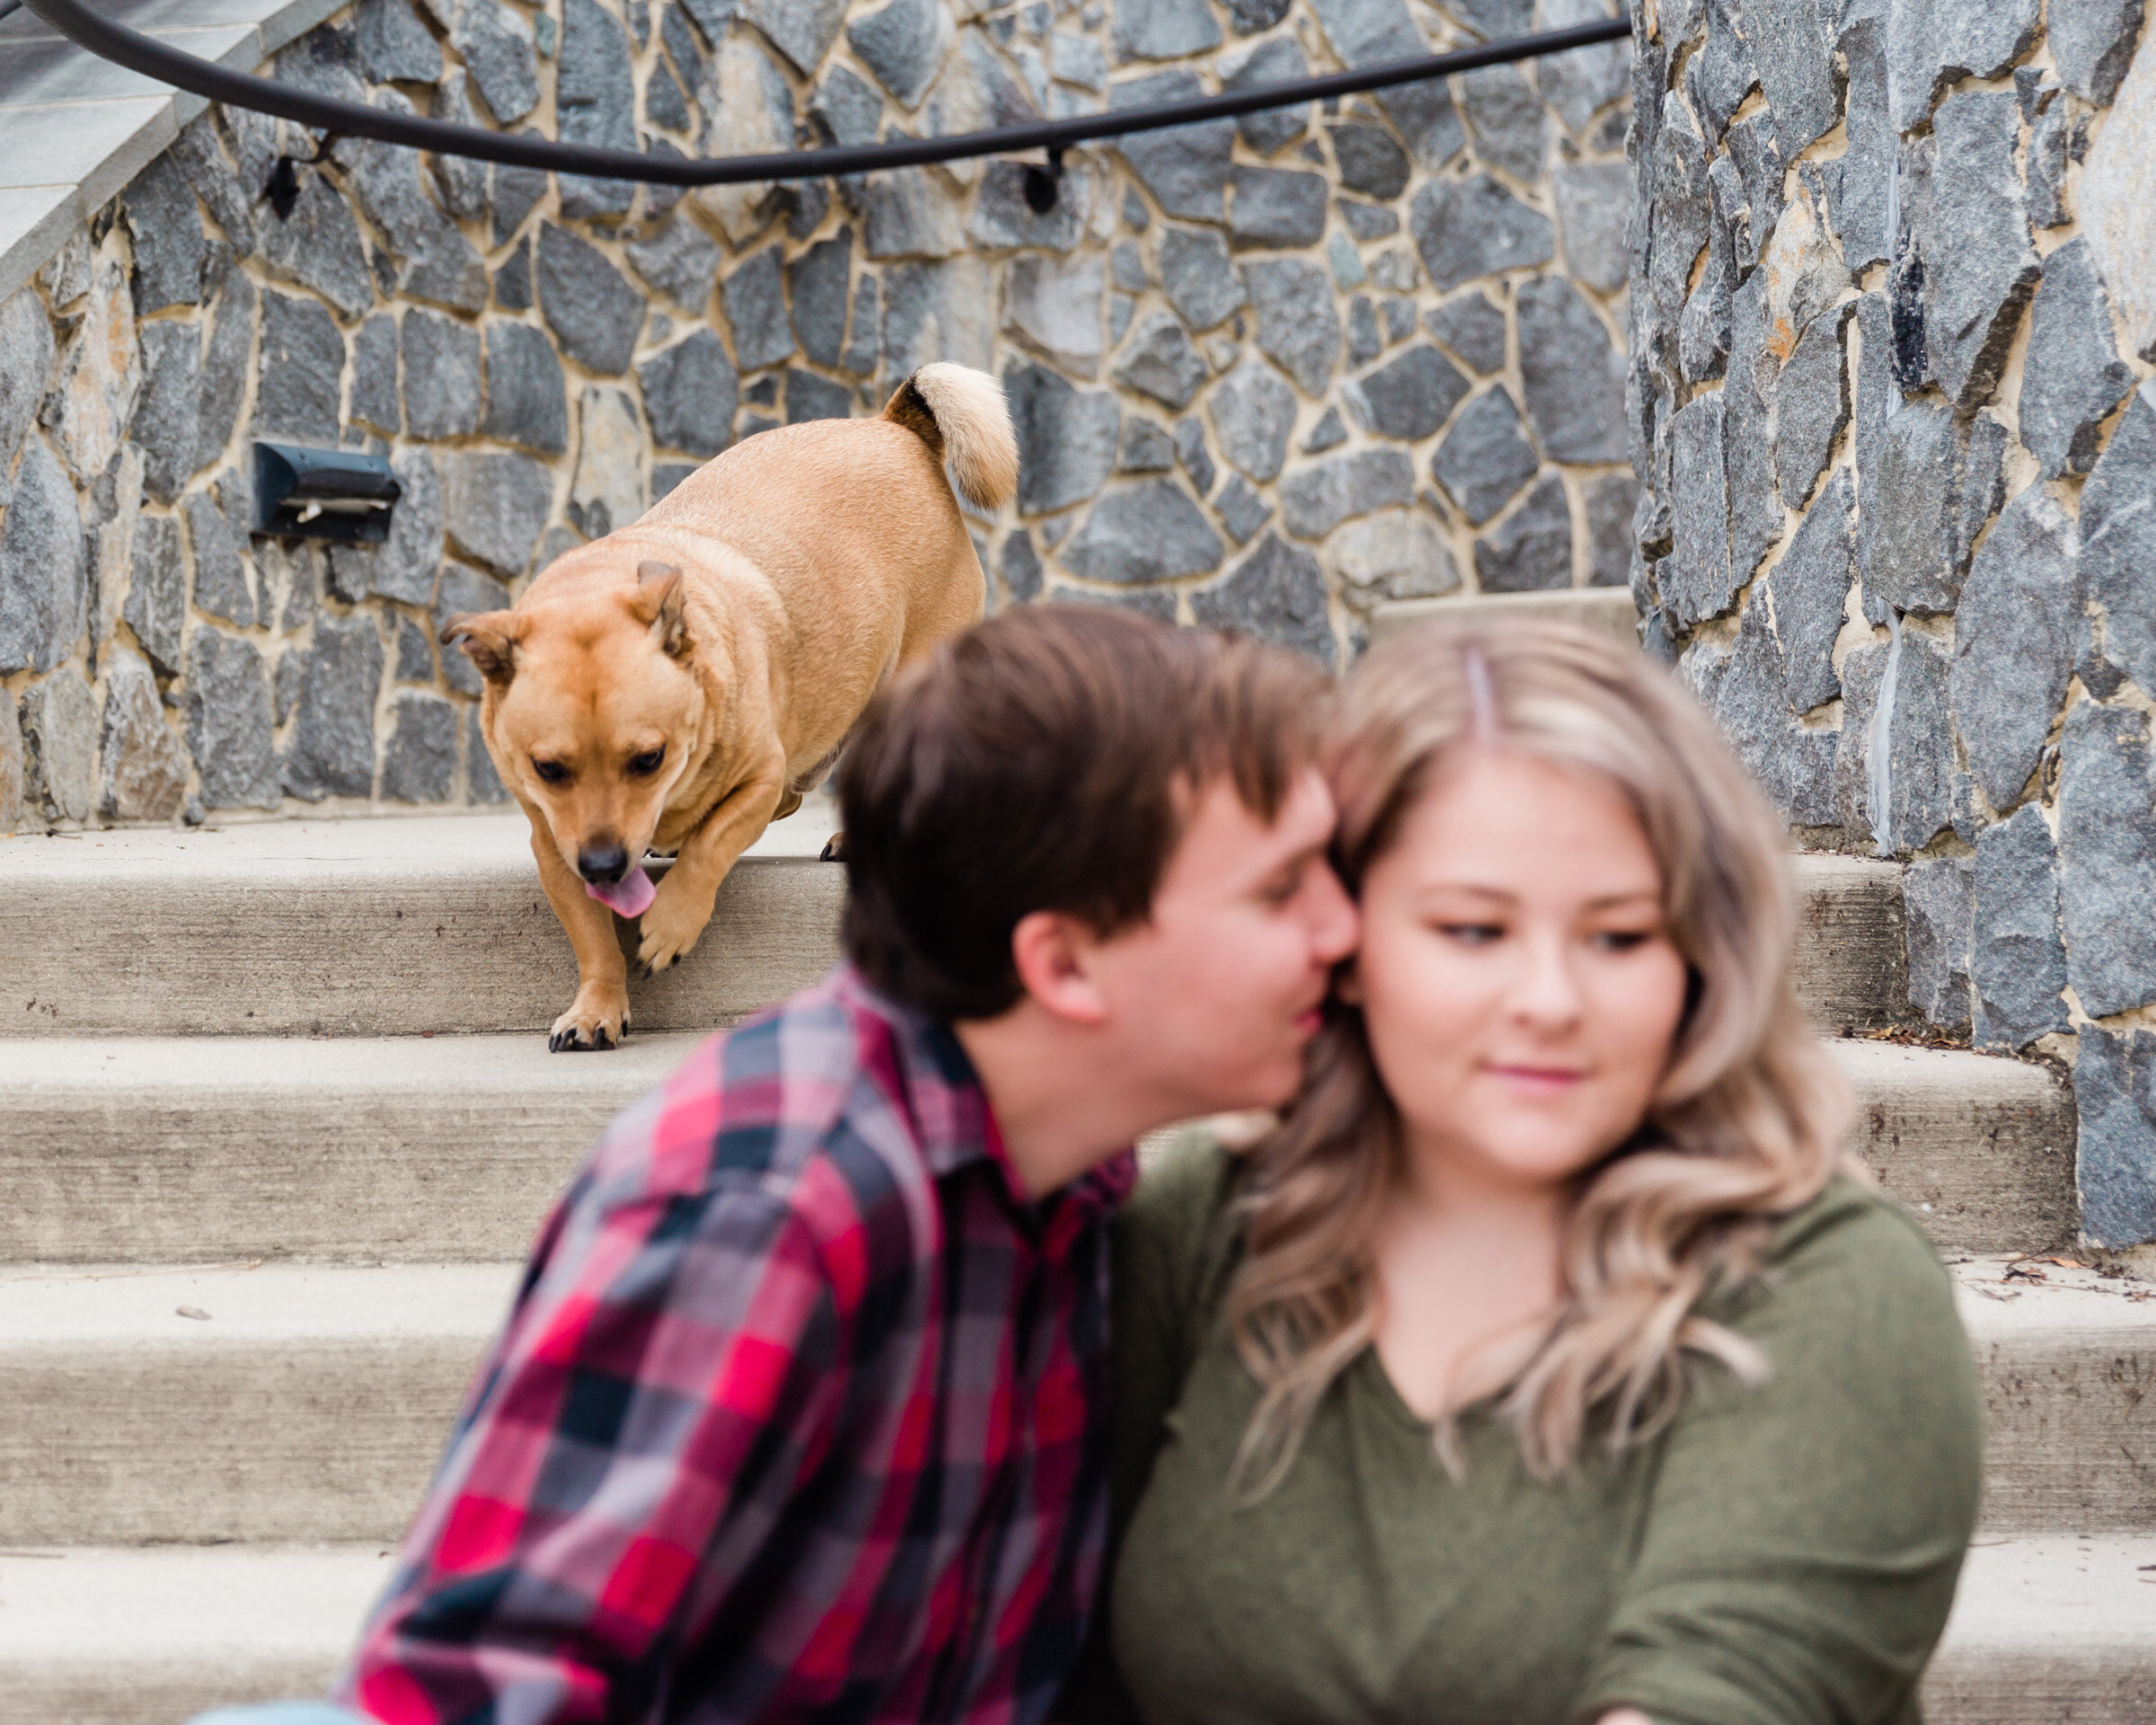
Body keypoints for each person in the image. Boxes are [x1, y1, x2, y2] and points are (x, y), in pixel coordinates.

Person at [193, 607, 1356, 1725]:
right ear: (1064, 964)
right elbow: (493, 1689)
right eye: (1279, 890)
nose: (1343, 931)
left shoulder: (1070, 1184)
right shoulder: (772, 1205)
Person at [1065, 620, 1984, 1725]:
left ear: (1699, 957)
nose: (1550, 1001)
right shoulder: (1204, 1228)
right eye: (1472, 930)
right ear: (1345, 942)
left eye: (1620, 936)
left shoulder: (1832, 1287)